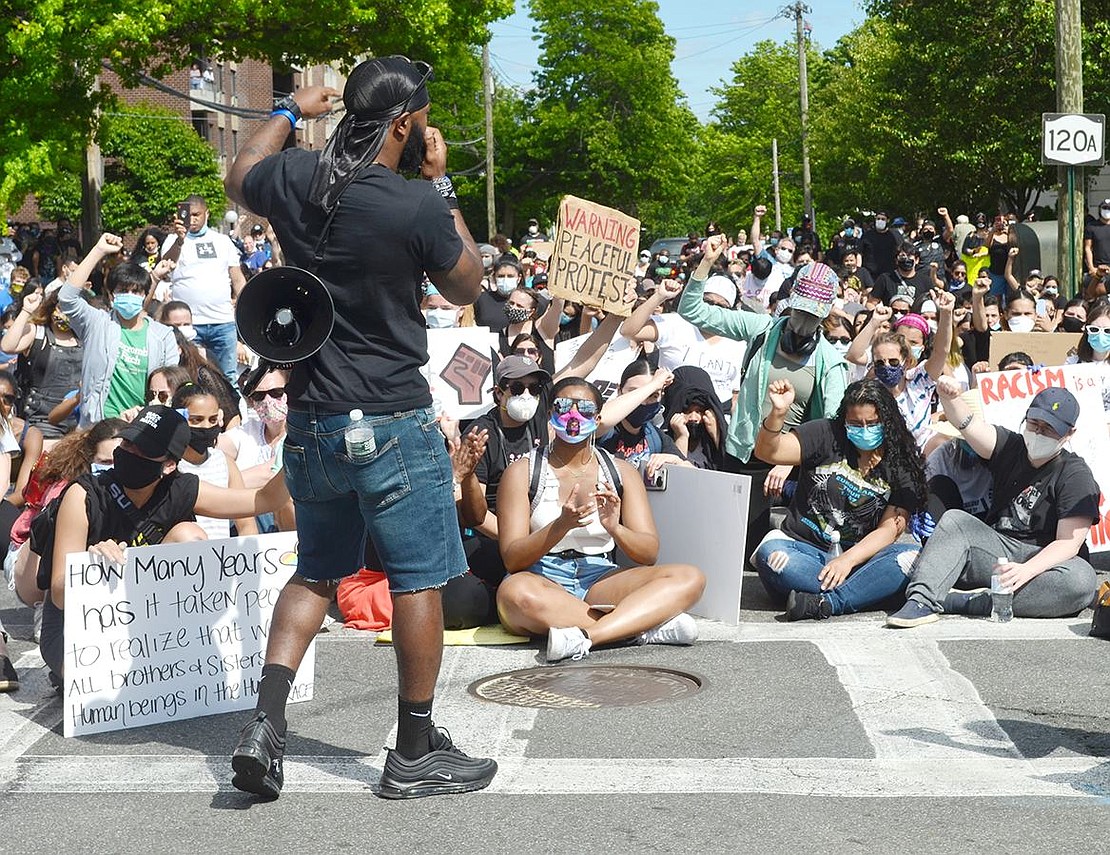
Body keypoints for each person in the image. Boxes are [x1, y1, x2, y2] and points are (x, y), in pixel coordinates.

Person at [224, 56, 496, 800]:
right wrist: (441, 184)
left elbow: (239, 171)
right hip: (392, 420)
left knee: (317, 570)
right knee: (418, 580)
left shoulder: (298, 176)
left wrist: (287, 108)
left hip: (311, 418)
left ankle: (266, 725)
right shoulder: (413, 204)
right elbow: (468, 283)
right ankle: (413, 747)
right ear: (406, 125)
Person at [38, 406, 290, 684]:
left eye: (143, 449)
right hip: (75, 629)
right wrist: (89, 561)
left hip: (149, 628)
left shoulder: (180, 488)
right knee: (98, 681)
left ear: (169, 464)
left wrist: (304, 450)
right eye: (128, 442)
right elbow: (59, 594)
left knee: (190, 535)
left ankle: (167, 659)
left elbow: (263, 500)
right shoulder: (83, 494)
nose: (129, 452)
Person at [495, 376, 705, 662]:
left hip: (600, 575)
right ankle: (639, 627)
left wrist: (614, 528)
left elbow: (648, 552)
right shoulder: (523, 471)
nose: (573, 417)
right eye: (564, 407)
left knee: (689, 577)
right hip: (543, 578)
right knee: (514, 595)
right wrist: (560, 526)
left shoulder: (621, 471)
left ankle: (587, 637)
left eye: (584, 409)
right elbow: (512, 559)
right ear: (550, 413)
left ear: (597, 417)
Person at [678, 234, 848, 553]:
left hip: (796, 466)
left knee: (774, 556)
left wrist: (788, 459)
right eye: (799, 312)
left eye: (812, 317)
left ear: (824, 316)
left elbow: (830, 428)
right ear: (789, 303)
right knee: (733, 551)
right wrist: (706, 263)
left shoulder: (831, 363)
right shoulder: (761, 329)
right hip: (746, 454)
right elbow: (693, 311)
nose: (802, 324)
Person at [887, 381, 1098, 627]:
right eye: (1034, 424)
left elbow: (1068, 543)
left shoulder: (1075, 473)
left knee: (1080, 582)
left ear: (1069, 433)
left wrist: (1026, 570)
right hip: (997, 553)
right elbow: (969, 425)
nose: (1038, 433)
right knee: (956, 520)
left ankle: (969, 601)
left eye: (1049, 428)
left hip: (1043, 561)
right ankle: (921, 600)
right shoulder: (1012, 446)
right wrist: (949, 397)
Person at [752, 378, 925, 620]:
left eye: (872, 423)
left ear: (887, 421)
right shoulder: (825, 434)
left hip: (858, 559)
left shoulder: (901, 464)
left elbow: (889, 530)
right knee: (772, 555)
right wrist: (778, 414)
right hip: (802, 549)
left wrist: (846, 560)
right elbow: (768, 451)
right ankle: (865, 592)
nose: (864, 430)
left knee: (913, 558)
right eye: (855, 424)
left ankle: (828, 603)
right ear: (844, 420)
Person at [59, 235, 180, 427]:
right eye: (123, 290)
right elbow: (66, 298)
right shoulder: (97, 323)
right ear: (111, 294)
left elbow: (171, 384)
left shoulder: (163, 336)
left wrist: (144, 413)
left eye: (136, 291)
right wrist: (98, 250)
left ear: (144, 295)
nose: (129, 296)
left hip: (141, 428)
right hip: (98, 425)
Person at [162, 195, 246, 384]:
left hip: (222, 322)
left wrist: (247, 313)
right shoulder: (172, 240)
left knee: (228, 378)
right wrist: (179, 241)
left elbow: (238, 280)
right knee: (189, 377)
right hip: (187, 325)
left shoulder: (223, 241)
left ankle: (231, 413)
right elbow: (165, 265)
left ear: (206, 213)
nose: (192, 219)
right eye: (187, 215)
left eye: (196, 215)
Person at [172, 382, 258, 540]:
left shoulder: (225, 463)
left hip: (223, 558)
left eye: (212, 420)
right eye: (196, 420)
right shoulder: (168, 465)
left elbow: (246, 525)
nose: (206, 427)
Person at [2, 285, 83, 444]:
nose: (64, 313)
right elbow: (8, 346)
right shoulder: (38, 332)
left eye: (70, 308)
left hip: (75, 421)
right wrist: (26, 311)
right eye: (60, 307)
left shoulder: (85, 338)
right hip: (40, 421)